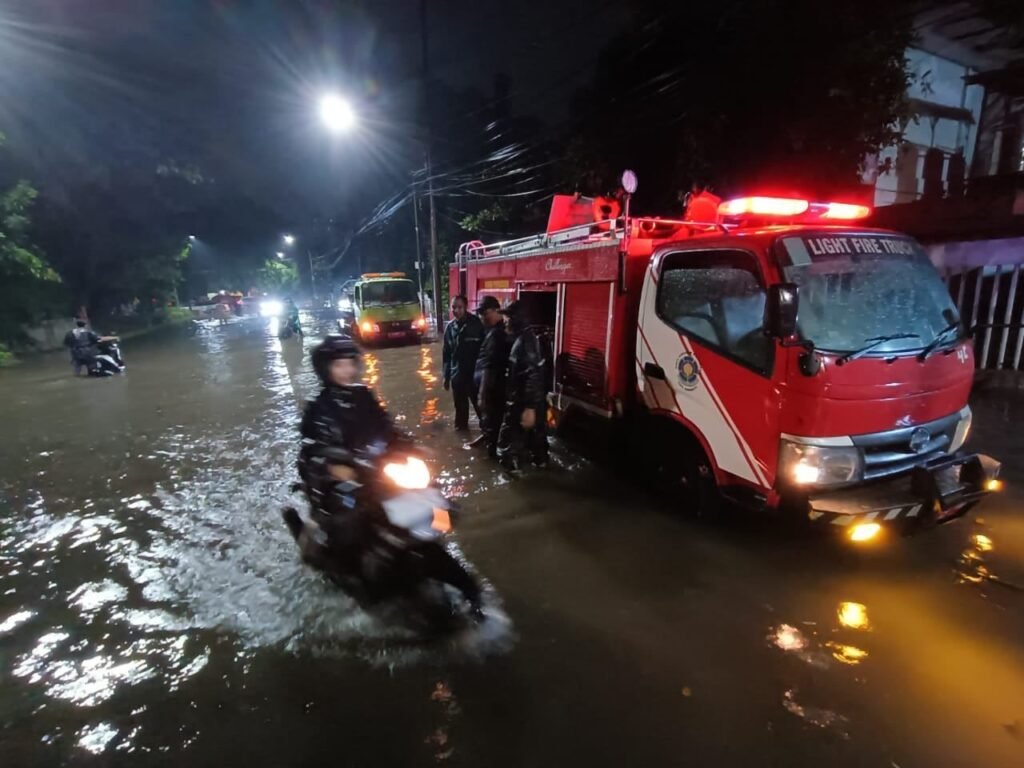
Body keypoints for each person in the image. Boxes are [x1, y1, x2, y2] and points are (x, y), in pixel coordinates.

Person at [297, 335, 482, 610]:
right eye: (339, 365)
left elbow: (388, 428)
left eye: (350, 363)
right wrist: (334, 466)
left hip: (378, 474)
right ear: (326, 369)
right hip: (345, 484)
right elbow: (314, 448)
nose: (347, 370)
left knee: (437, 503)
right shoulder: (318, 409)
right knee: (349, 524)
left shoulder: (363, 396)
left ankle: (442, 561)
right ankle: (355, 578)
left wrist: (412, 447)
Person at [496, 301, 549, 471]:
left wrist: (529, 408)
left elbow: (533, 375)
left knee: (507, 448)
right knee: (535, 445)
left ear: (516, 319)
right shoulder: (525, 339)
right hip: (524, 403)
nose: (504, 321)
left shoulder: (526, 343)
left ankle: (514, 478)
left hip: (522, 405)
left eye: (507, 317)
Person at [470, 295, 509, 457]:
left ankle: (491, 455)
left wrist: (482, 394)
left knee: (492, 424)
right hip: (495, 389)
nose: (482, 317)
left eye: (485, 313)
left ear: (496, 310)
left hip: (493, 391)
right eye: (480, 314)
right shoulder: (493, 331)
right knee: (493, 424)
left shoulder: (496, 335)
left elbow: (490, 367)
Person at [441, 295, 484, 432]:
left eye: (459, 307)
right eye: (453, 307)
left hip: (474, 375)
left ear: (466, 307)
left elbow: (484, 350)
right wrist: (446, 376)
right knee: (460, 411)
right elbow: (446, 354)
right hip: (457, 375)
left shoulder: (476, 324)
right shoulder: (450, 328)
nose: (456, 310)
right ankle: (462, 435)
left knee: (481, 408)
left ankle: (487, 434)